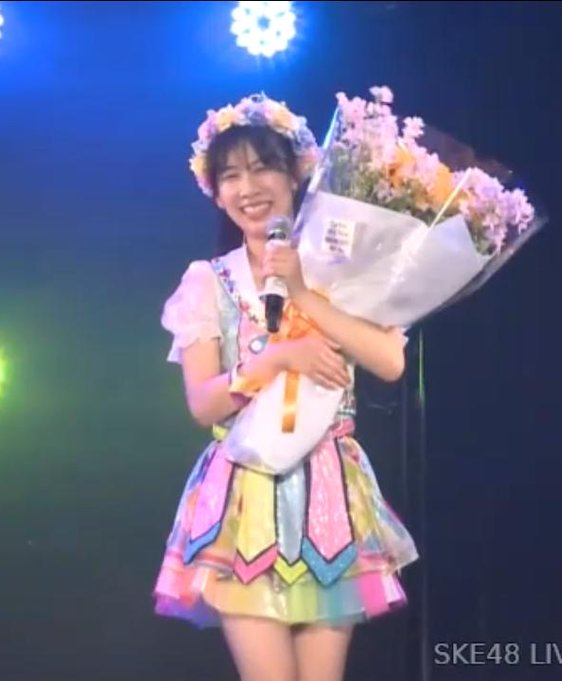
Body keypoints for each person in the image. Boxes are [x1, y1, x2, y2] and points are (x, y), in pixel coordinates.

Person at [152, 93, 419, 681]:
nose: (248, 188)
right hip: (243, 494)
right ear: (215, 192)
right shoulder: (208, 281)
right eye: (230, 175)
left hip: (330, 492)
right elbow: (202, 403)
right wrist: (276, 359)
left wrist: (301, 294)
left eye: (262, 168)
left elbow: (389, 361)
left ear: (297, 174)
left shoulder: (339, 268)